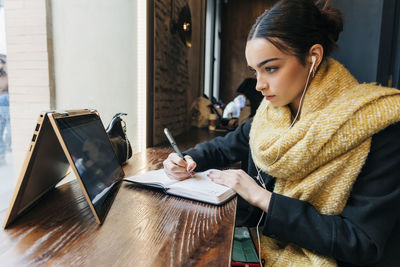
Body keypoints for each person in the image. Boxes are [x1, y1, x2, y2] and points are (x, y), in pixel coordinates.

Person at [163, 0, 400, 266]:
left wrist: (262, 198)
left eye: (271, 68)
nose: (260, 84)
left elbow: (363, 243)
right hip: (258, 243)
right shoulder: (271, 115)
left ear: (313, 57)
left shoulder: (377, 125)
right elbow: (223, 147)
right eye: (255, 71)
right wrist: (183, 159)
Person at [0, 54, 10, 165]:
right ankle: (1, 155)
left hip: (7, 107)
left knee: (8, 133)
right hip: (1, 107)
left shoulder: (7, 76)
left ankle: (8, 146)